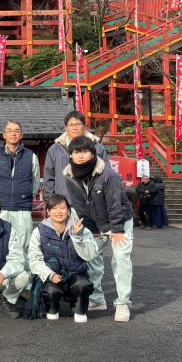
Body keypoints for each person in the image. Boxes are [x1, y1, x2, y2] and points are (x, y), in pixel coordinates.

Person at [62, 136, 134, 322]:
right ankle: (96, 298)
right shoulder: (69, 176)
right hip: (95, 223)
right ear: (70, 154)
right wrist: (91, 229)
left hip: (119, 222)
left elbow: (115, 203)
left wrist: (116, 229)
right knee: (92, 258)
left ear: (93, 153)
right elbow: (79, 205)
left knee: (120, 259)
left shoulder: (108, 175)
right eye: (76, 152)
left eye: (85, 151)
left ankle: (122, 303)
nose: (80, 156)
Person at [28, 194, 95, 323]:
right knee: (51, 294)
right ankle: (52, 307)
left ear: (68, 210)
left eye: (63, 208)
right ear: (48, 211)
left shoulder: (81, 229)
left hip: (76, 275)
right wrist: (50, 274)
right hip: (53, 277)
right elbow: (34, 259)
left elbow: (90, 255)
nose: (59, 211)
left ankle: (79, 308)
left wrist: (78, 236)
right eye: (54, 208)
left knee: (83, 285)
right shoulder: (39, 231)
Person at [0, 121, 40, 265]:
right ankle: (1, 277)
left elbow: (35, 183)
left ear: (21, 135)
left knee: (24, 245)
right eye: (9, 131)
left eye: (16, 131)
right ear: (4, 135)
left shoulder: (30, 156)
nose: (13, 134)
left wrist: (24, 196)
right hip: (0, 208)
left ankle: (24, 280)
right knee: (0, 243)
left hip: (22, 208)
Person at [43, 111, 109, 199]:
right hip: (64, 202)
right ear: (66, 127)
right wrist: (50, 200)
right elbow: (49, 177)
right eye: (71, 125)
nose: (75, 128)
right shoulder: (55, 149)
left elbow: (106, 173)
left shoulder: (97, 147)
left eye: (78, 124)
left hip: (92, 200)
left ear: (84, 126)